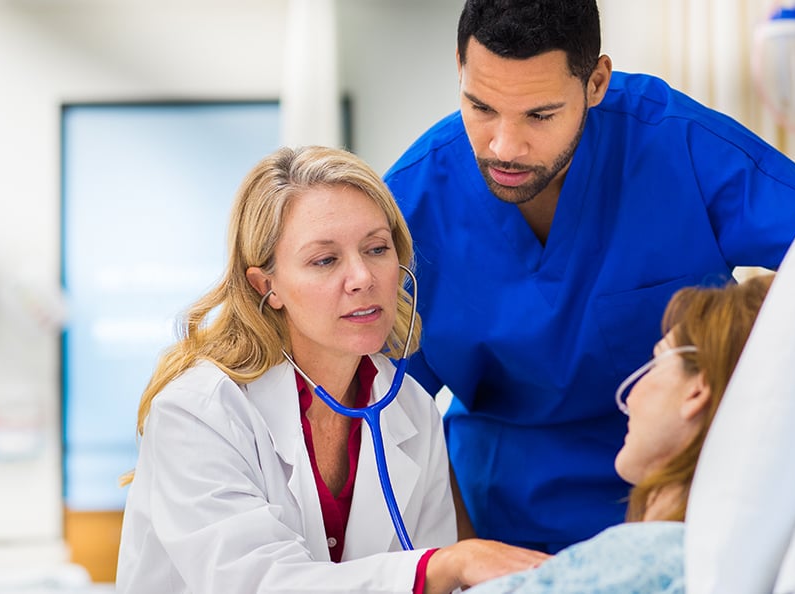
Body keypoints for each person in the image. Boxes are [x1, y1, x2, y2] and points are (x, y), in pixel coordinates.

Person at [383, 0, 795, 552]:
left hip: (686, 505)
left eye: (540, 115)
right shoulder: (411, 205)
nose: (504, 146)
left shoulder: (674, 146)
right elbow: (396, 413)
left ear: (596, 83)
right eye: (481, 107)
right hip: (504, 522)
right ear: (459, 67)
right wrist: (467, 562)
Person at [116, 146, 548, 594]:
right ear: (266, 286)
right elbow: (256, 583)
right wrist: (440, 567)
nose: (363, 277)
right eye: (325, 260)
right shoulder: (199, 413)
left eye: (376, 249)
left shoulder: (411, 409)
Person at [469, 274, 775, 593]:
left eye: (656, 362)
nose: (629, 397)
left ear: (697, 390)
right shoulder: (736, 561)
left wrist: (448, 565)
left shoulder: (635, 565)